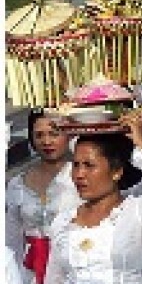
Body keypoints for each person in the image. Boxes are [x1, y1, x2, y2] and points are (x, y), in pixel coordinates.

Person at [43, 131, 142, 284]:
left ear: (116, 171)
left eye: (89, 165)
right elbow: (53, 278)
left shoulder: (138, 212)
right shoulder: (63, 222)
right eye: (76, 165)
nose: (79, 174)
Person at [6, 110, 82, 284]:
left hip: (73, 267)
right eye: (39, 135)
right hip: (30, 271)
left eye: (54, 134)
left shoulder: (82, 177)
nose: (47, 141)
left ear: (69, 135)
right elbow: (12, 239)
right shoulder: (17, 184)